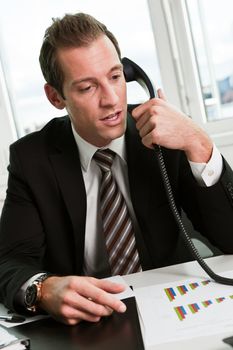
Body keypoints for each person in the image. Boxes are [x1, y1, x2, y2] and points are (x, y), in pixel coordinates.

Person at [0, 13, 233, 326]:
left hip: (176, 308)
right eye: (87, 87)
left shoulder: (165, 135)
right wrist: (42, 289)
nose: (111, 100)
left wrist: (200, 145)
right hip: (89, 322)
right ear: (56, 97)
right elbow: (9, 261)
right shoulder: (32, 159)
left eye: (115, 77)